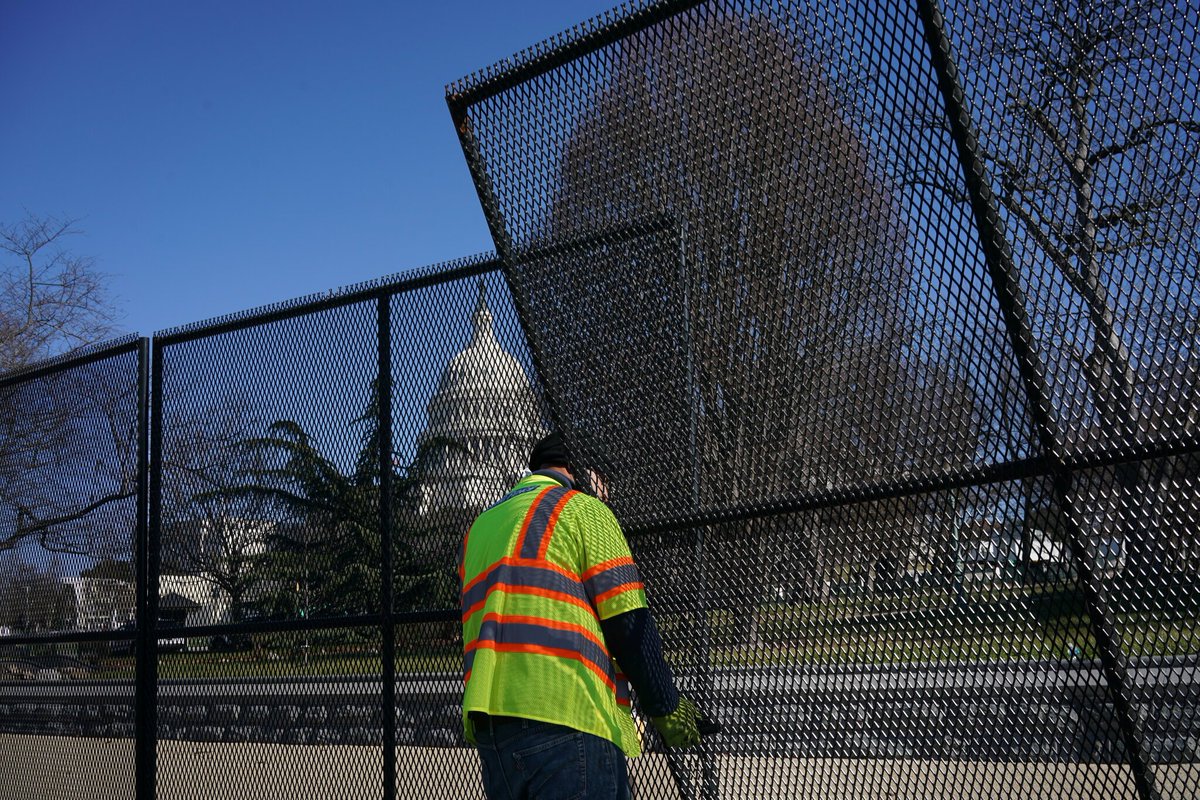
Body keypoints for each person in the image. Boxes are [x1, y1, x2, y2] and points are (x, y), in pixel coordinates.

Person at [460, 430, 702, 800]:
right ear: (583, 472)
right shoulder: (583, 510)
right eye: (605, 480)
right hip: (570, 715)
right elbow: (628, 621)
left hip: (495, 735)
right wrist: (666, 708)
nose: (608, 492)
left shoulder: (480, 529)